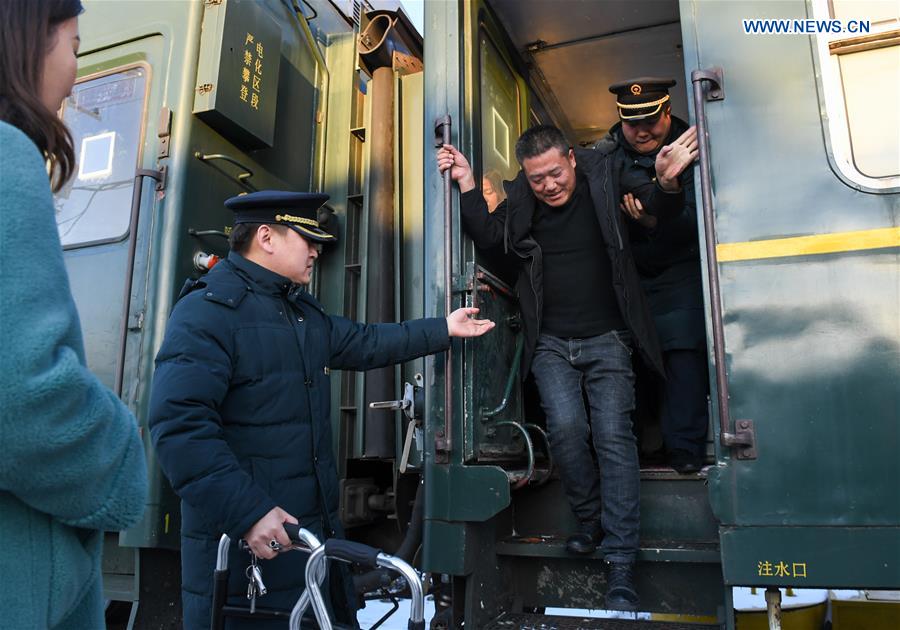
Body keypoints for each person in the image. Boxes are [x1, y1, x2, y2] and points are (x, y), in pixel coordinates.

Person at [148, 190, 494, 629]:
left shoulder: (297, 312)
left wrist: (443, 328)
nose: (316, 249)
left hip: (309, 545)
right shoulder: (208, 311)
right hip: (249, 552)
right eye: (307, 238)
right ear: (267, 238)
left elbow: (365, 342)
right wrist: (248, 512)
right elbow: (179, 426)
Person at [437, 123, 696, 611]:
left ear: (572, 160)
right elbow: (493, 242)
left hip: (609, 339)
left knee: (613, 438)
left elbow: (655, 212)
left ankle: (620, 561)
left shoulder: (606, 171)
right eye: (537, 179)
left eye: (555, 174)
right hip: (552, 342)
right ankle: (589, 519)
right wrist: (468, 184)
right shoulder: (523, 201)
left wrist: (664, 182)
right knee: (567, 430)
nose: (549, 185)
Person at [0, 1, 149, 628]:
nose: (73, 71)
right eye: (75, 48)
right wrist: (122, 457)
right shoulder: (7, 156)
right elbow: (24, 396)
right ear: (29, 45)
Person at [597, 77, 708, 473]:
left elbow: (700, 225)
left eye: (650, 120)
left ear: (666, 111)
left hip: (681, 271)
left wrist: (649, 220)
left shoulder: (695, 147)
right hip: (631, 277)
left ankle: (685, 450)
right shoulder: (606, 156)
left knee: (682, 354)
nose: (641, 131)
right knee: (634, 359)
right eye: (632, 123)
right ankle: (646, 448)